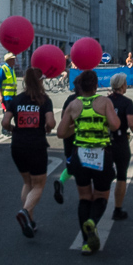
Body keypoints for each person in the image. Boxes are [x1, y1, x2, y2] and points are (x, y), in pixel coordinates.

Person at [56, 70, 121, 256]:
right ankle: (92, 222)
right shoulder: (104, 102)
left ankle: (85, 242)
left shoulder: (73, 104)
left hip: (80, 154)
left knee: (84, 197)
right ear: (95, 85)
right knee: (101, 195)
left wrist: (76, 125)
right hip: (102, 153)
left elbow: (61, 133)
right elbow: (115, 125)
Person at [2, 67, 56, 237]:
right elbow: (51, 123)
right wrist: (47, 128)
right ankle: (25, 212)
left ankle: (30, 222)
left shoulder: (16, 100)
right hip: (36, 145)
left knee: (27, 183)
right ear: (40, 81)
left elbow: (5, 122)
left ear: (25, 81)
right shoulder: (44, 100)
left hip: (17, 145)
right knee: (39, 184)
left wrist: (13, 129)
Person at [107, 73, 133, 220]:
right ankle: (117, 208)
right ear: (122, 85)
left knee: (103, 174)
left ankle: (99, 205)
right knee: (121, 175)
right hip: (120, 140)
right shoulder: (127, 102)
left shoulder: (104, 100)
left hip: (105, 141)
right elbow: (131, 122)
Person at [51, 76, 83, 205]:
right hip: (82, 137)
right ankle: (85, 197)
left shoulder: (69, 100)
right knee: (84, 166)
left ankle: (61, 181)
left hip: (68, 138)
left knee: (71, 163)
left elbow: (62, 117)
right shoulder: (88, 100)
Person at [0, 52, 18, 136]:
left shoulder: (12, 69)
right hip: (6, 96)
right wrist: (0, 95)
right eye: (12, 59)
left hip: (13, 95)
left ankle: (8, 128)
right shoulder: (4, 69)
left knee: (12, 113)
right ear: (8, 60)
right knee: (6, 113)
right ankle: (5, 130)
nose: (14, 61)